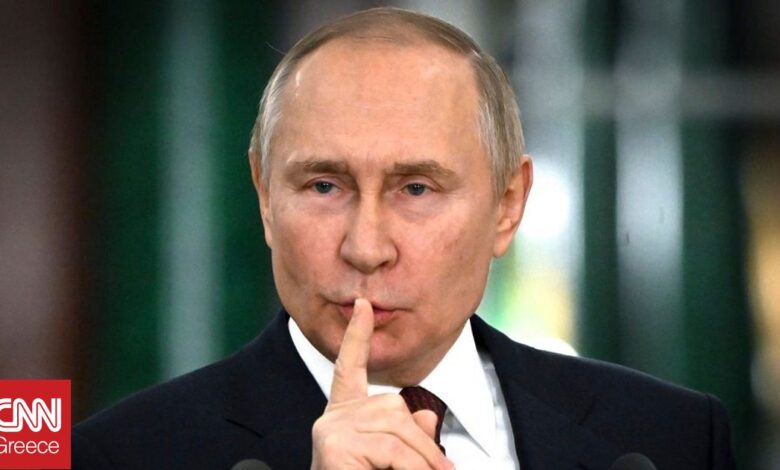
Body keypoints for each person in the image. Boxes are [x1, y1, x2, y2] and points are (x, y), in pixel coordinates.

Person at [73, 7, 735, 469]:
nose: (366, 248)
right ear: (265, 200)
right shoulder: (120, 454)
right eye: (324, 186)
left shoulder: (669, 437)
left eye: (416, 189)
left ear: (508, 206)